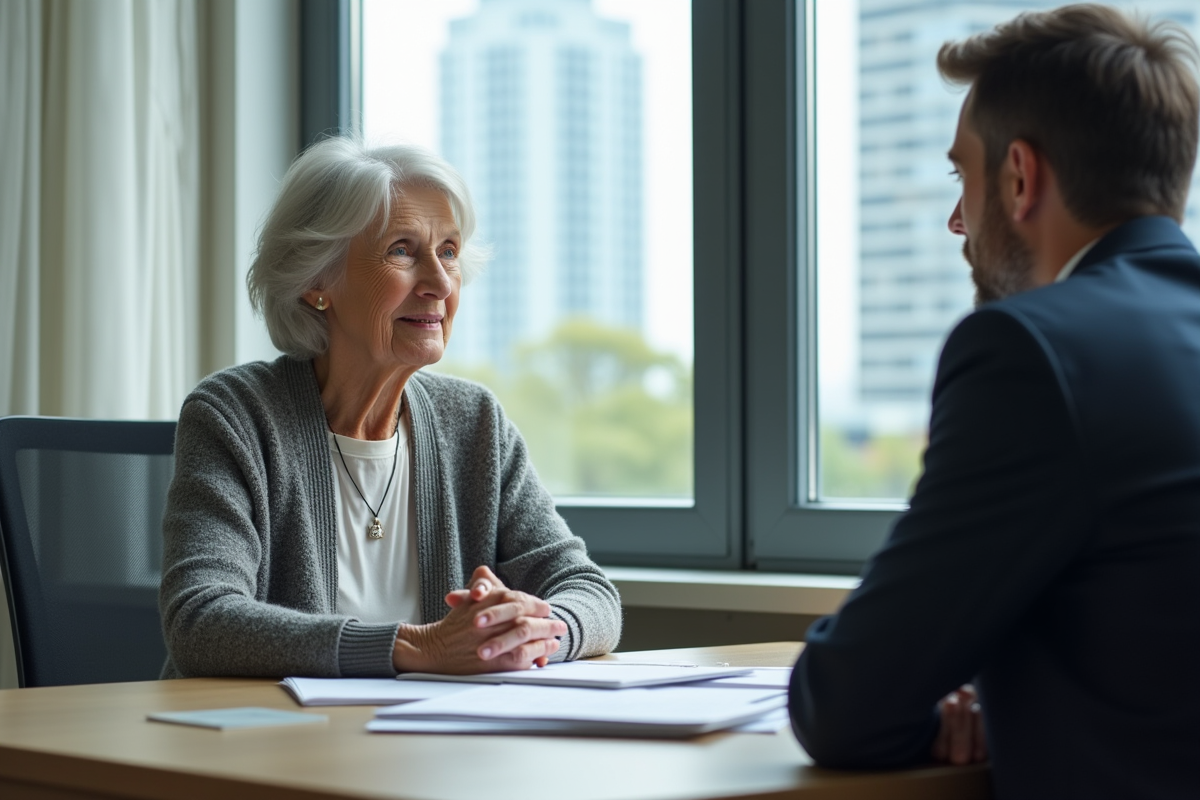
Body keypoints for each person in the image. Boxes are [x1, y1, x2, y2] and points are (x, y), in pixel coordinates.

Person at [788, 5, 1200, 799]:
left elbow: (844, 705)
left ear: (1019, 176)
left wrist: (943, 713)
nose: (956, 222)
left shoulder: (1033, 351)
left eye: (961, 177)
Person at [159, 138, 621, 679]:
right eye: (402, 250)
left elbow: (590, 592)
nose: (441, 282)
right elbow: (202, 620)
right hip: (264, 745)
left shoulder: (474, 423)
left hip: (431, 750)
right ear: (316, 282)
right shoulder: (235, 415)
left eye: (448, 250)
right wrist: (417, 648)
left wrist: (527, 633)